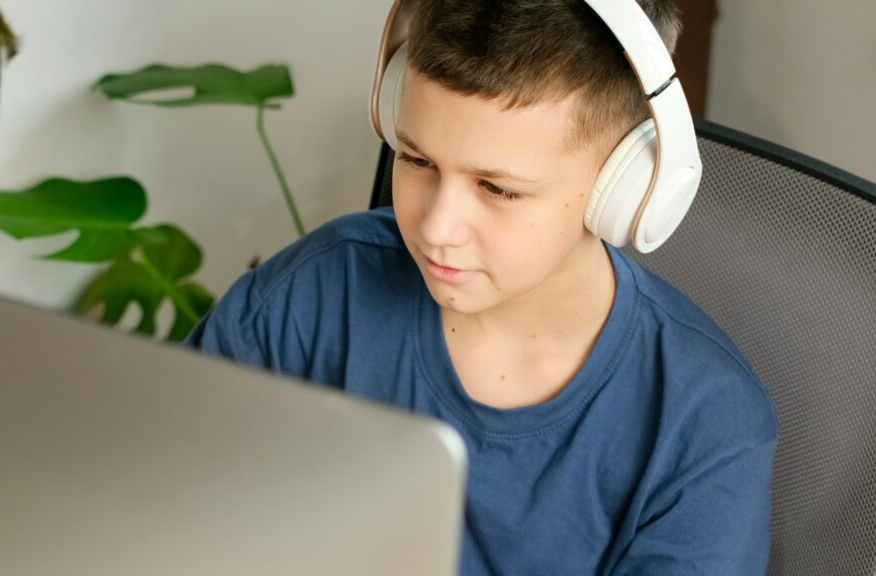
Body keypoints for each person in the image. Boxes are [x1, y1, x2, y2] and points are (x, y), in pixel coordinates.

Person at [186, 0, 779, 573]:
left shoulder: (705, 427)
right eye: (416, 160)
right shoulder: (315, 291)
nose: (437, 230)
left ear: (622, 192)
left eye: (497, 189)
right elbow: (164, 493)